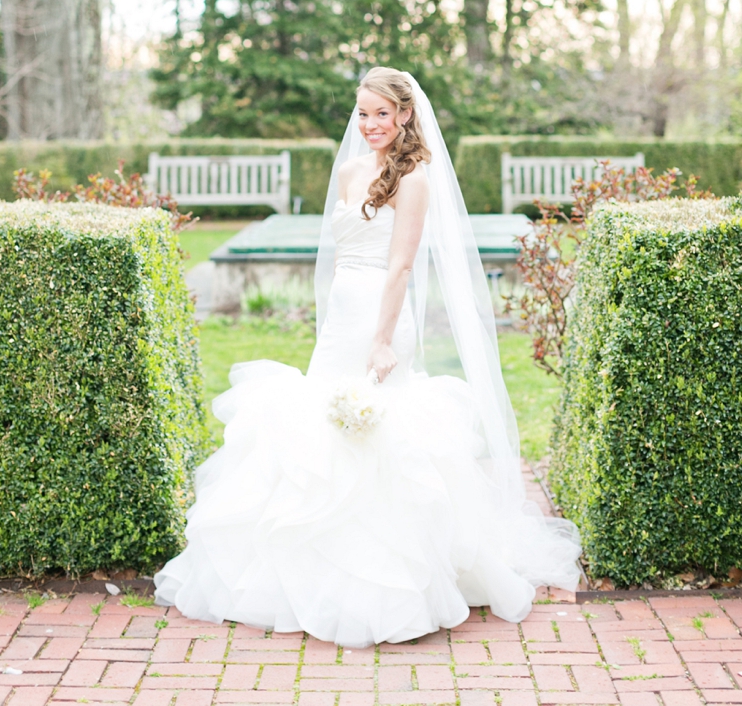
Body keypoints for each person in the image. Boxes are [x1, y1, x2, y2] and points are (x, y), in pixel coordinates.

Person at [154, 67, 580, 646]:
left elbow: (401, 264)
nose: (371, 123)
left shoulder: (416, 181)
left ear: (405, 114)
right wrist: (335, 318)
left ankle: (389, 575)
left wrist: (382, 340)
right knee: (322, 428)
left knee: (379, 429)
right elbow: (339, 254)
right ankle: (308, 568)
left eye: (382, 112)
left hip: (381, 317)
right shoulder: (352, 171)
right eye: (362, 113)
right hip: (341, 319)